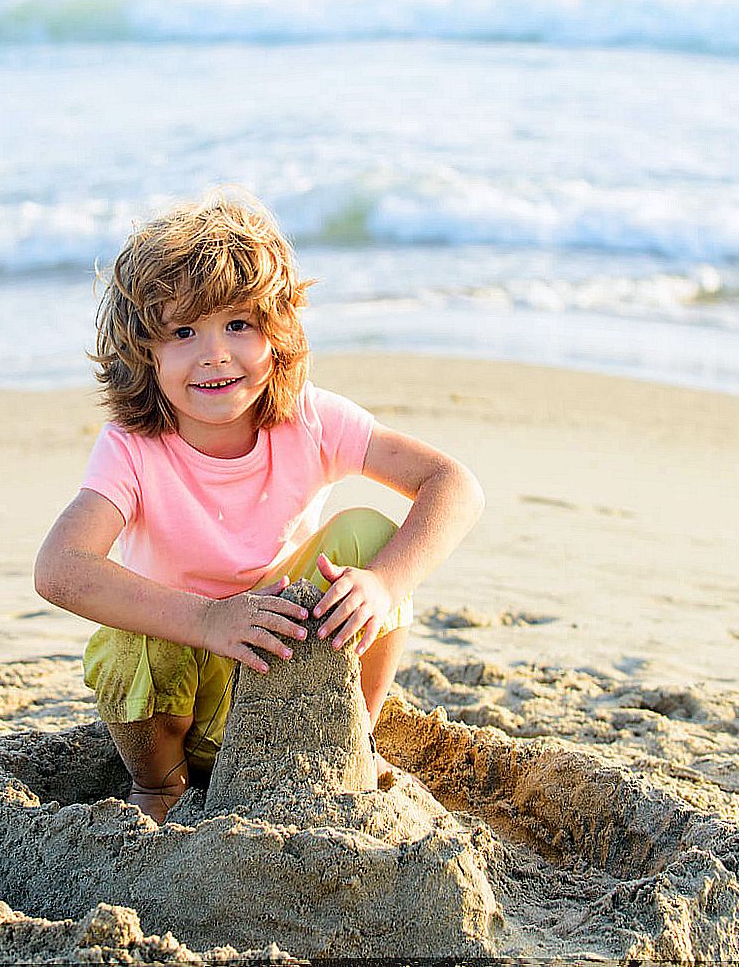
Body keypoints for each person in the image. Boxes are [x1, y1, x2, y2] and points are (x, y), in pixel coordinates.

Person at [34, 188, 485, 823]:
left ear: (276, 334)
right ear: (145, 353)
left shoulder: (309, 418)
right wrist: (209, 621)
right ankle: (159, 787)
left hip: (292, 684)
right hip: (182, 707)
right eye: (183, 331)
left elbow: (453, 483)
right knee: (127, 634)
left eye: (237, 325)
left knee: (369, 534)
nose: (214, 353)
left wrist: (384, 584)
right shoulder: (134, 448)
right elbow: (60, 568)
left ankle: (353, 734)